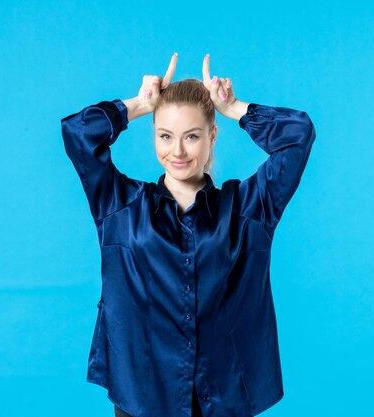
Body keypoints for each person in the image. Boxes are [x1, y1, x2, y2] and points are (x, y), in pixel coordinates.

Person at [61, 52, 317, 417]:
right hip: (142, 396)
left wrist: (235, 109)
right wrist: (136, 105)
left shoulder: (248, 209)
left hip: (224, 396)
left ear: (212, 136)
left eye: (192, 136)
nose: (177, 151)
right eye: (165, 136)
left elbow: (298, 135)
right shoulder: (120, 206)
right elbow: (78, 133)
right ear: (153, 135)